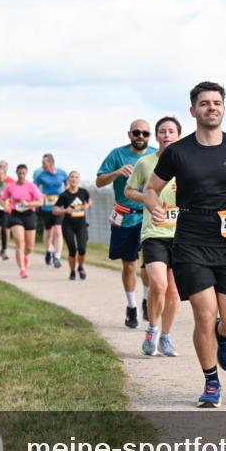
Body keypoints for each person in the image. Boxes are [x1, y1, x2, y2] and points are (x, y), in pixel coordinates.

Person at [143, 82, 226, 407]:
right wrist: (154, 206)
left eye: (217, 102)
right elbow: (151, 189)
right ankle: (211, 383)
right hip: (190, 239)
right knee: (204, 315)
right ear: (193, 111)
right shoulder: (179, 152)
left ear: (223, 108)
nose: (212, 107)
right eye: (204, 103)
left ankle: (224, 335)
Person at [125, 115, 184, 357]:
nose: (167, 135)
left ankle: (166, 337)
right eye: (162, 131)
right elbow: (129, 190)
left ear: (179, 136)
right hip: (154, 233)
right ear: (157, 136)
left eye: (171, 131)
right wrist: (149, 201)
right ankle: (152, 329)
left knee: (174, 292)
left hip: (182, 234)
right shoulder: (146, 163)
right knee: (158, 285)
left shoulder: (187, 164)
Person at [96, 120, 156, 328]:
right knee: (129, 264)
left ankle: (147, 300)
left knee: (150, 262)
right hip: (125, 216)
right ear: (129, 134)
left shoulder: (157, 155)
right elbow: (99, 181)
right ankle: (131, 307)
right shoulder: (117, 154)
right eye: (137, 132)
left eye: (145, 133)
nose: (141, 136)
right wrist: (117, 173)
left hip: (150, 215)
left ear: (150, 136)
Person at [0, 164, 44, 278]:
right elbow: (2, 199)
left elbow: (40, 202)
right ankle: (22, 269)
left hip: (29, 214)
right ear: (16, 173)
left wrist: (28, 203)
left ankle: (25, 256)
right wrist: (5, 206)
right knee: (19, 241)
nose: (21, 175)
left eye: (23, 173)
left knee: (30, 247)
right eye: (19, 173)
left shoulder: (31, 186)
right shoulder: (11, 186)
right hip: (15, 215)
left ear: (26, 173)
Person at [52, 171, 92, 280]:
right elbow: (55, 210)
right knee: (72, 250)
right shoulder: (64, 195)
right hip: (68, 225)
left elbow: (89, 200)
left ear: (79, 180)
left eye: (76, 177)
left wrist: (87, 206)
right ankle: (72, 271)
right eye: (72, 177)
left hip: (81, 225)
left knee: (82, 248)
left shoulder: (84, 192)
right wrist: (65, 210)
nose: (74, 179)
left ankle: (81, 266)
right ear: (69, 179)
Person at [34, 154, 68, 268]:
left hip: (59, 207)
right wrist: (40, 195)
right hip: (46, 207)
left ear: (51, 163)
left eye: (44, 163)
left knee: (58, 230)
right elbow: (34, 189)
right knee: (48, 231)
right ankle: (49, 249)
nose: (42, 165)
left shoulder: (62, 173)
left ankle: (57, 256)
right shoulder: (41, 175)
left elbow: (67, 188)